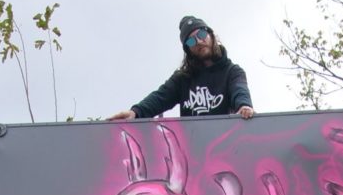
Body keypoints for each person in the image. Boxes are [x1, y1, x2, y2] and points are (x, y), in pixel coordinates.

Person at [109, 16, 255, 120]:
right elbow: (160, 97)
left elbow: (239, 90)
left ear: (211, 35)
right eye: (191, 41)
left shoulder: (232, 71)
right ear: (188, 50)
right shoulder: (183, 78)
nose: (198, 41)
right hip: (192, 148)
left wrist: (244, 106)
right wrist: (136, 112)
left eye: (201, 34)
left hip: (225, 146)